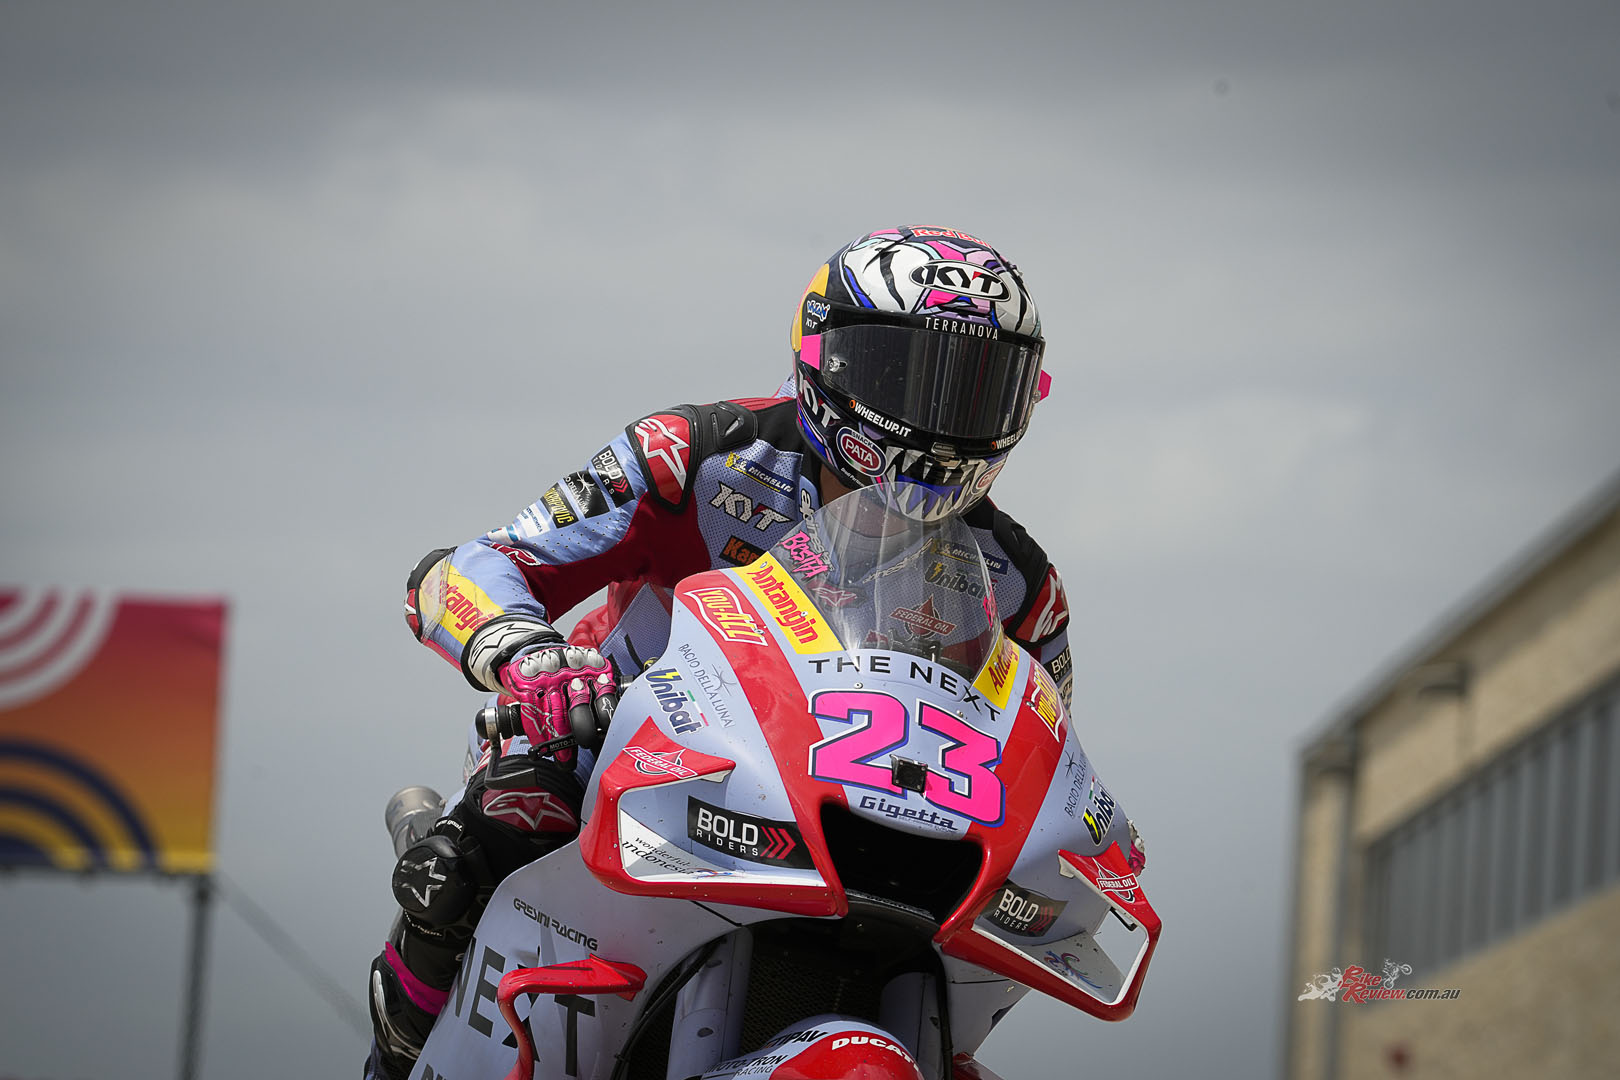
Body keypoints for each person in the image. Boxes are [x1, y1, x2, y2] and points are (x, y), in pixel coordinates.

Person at [364, 225, 1089, 1080]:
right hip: (628, 746)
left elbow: (1040, 745)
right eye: (908, 375)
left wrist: (1093, 830)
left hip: (874, 808)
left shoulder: (1020, 582)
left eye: (976, 388)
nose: (940, 417)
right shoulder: (695, 454)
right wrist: (525, 652)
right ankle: (402, 1046)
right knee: (511, 811)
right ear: (827, 356)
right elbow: (476, 565)